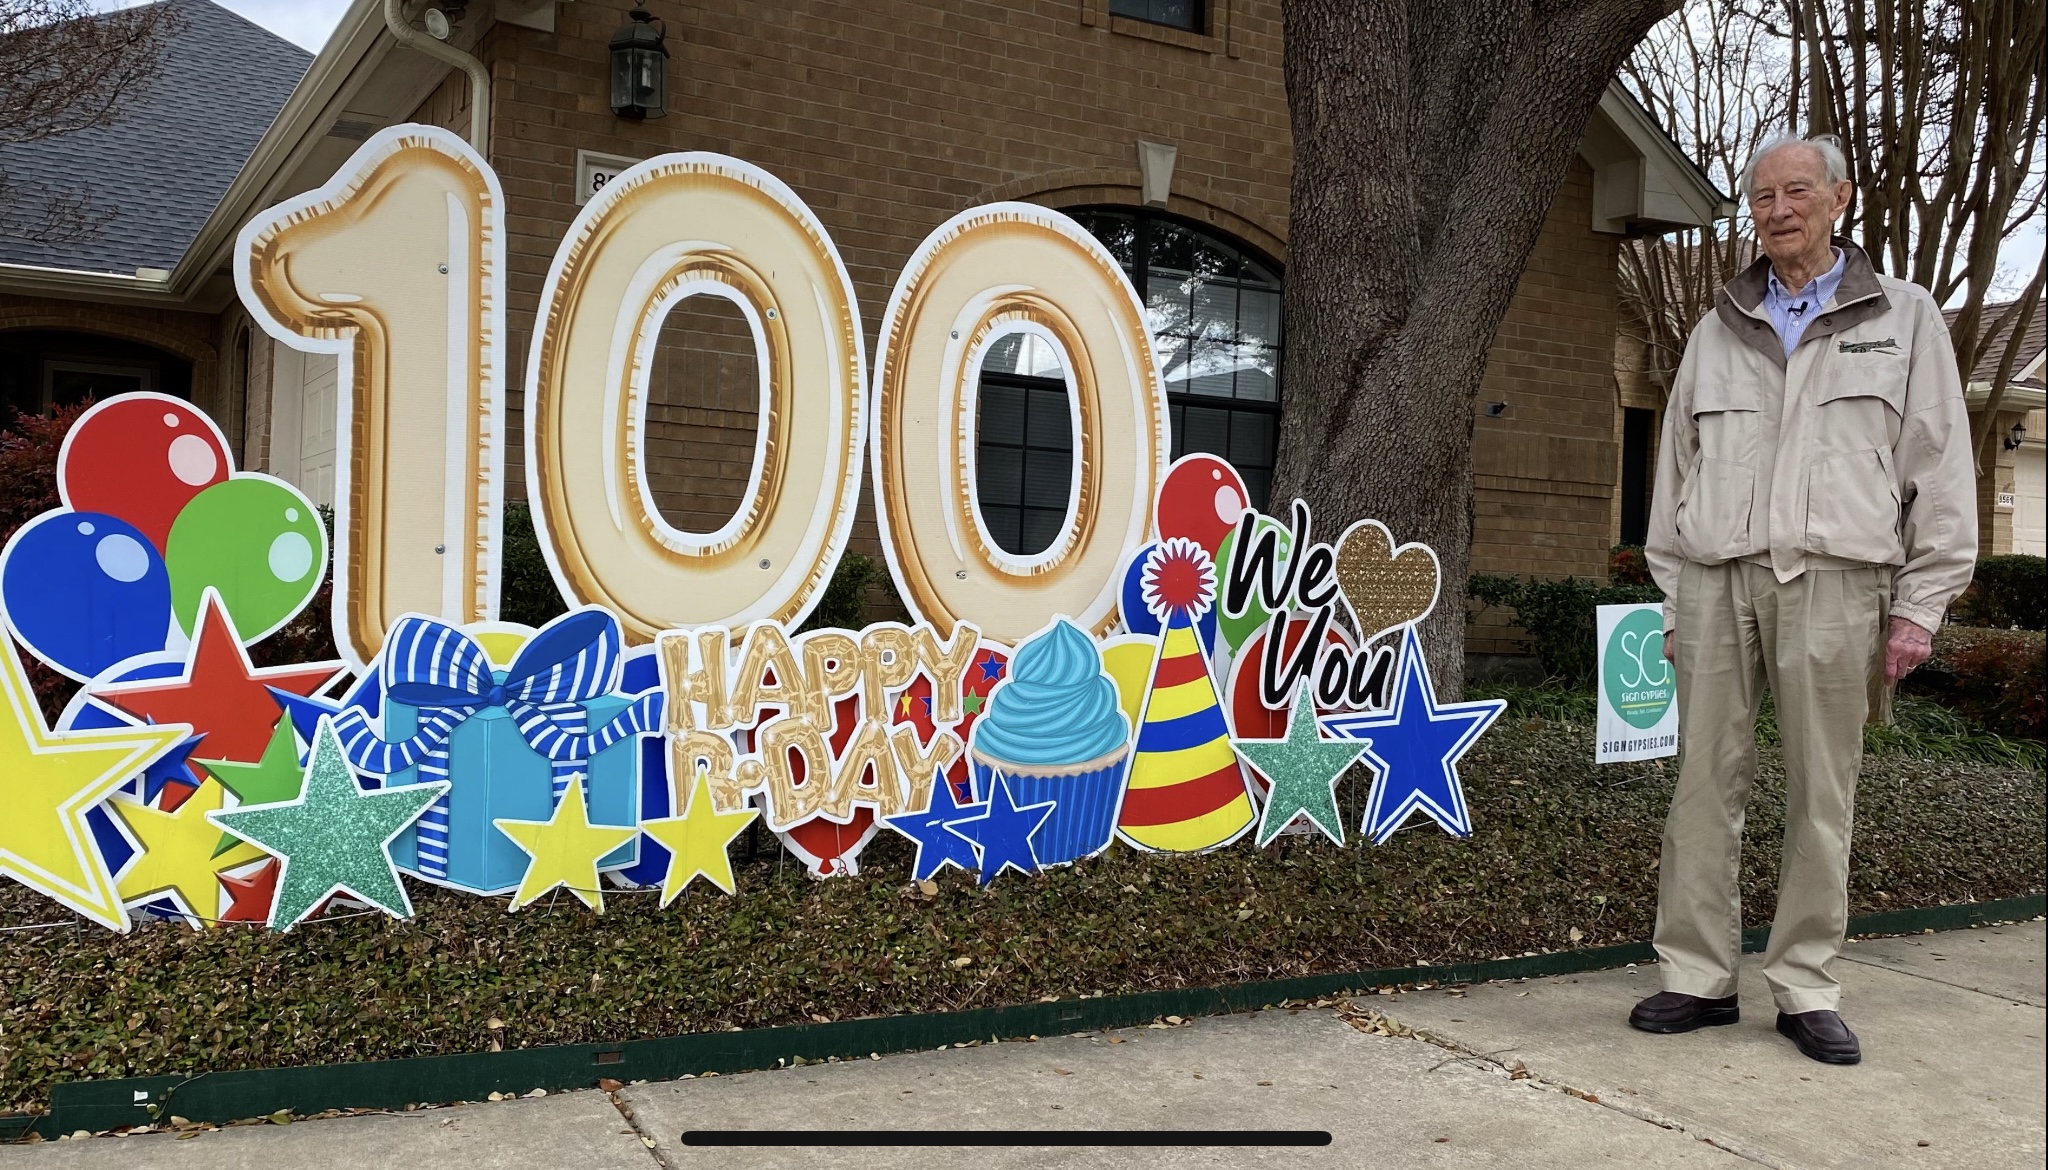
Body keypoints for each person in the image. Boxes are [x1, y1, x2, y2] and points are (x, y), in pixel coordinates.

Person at [1634, 134, 1977, 1065]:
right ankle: (1696, 978)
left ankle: (1805, 984)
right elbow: (1675, 471)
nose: (1778, 209)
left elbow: (1940, 471)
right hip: (1715, 577)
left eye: (1797, 191)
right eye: (1761, 196)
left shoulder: (1904, 318)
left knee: (1823, 794)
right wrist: (1671, 598)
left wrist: (1921, 605)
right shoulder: (1717, 325)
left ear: (1839, 198)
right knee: (1703, 784)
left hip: (1837, 579)